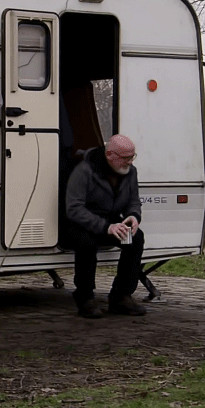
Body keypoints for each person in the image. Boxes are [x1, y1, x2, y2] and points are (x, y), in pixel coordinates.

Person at [64, 134, 146, 318]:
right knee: (86, 242)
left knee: (135, 238)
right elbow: (74, 209)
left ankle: (121, 296)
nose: (130, 162)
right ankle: (84, 297)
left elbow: (134, 201)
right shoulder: (84, 171)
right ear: (110, 155)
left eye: (132, 157)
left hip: (111, 222)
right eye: (126, 158)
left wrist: (133, 216)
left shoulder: (130, 172)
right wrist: (106, 227)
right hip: (81, 223)